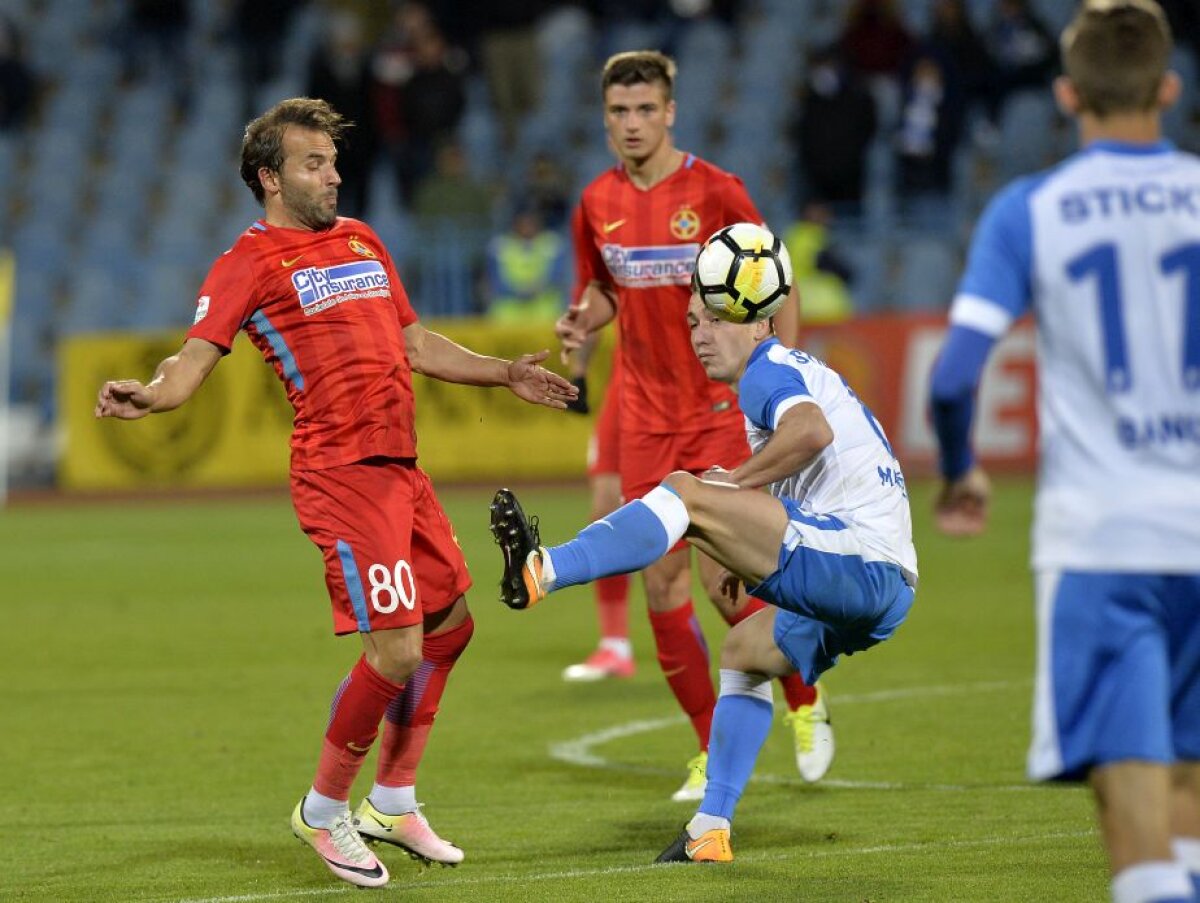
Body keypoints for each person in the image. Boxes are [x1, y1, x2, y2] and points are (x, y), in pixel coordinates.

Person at [93, 98, 577, 889]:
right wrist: (151, 396)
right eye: (314, 164)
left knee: (451, 624)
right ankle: (323, 809)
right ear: (269, 178)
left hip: (401, 466)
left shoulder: (363, 240)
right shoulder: (247, 262)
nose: (334, 175)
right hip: (340, 473)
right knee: (397, 648)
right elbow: (190, 362)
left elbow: (414, 341)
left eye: (334, 161)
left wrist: (503, 371)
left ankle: (392, 797)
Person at [491, 284, 917, 862]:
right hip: (881, 583)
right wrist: (746, 535)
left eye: (714, 320)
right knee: (743, 651)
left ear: (757, 322)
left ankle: (544, 569)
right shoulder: (784, 373)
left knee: (688, 492)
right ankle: (710, 830)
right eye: (692, 323)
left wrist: (731, 488)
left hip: (857, 560)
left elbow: (812, 432)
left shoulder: (769, 365)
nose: (699, 336)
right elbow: (815, 466)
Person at [928, 4, 1200, 901]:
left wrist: (963, 466)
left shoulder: (1030, 211)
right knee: (1191, 822)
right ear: (1168, 87)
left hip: (1104, 545)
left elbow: (956, 375)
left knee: (1138, 840)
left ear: (1065, 94)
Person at [555, 50, 833, 800]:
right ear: (605, 116)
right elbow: (605, 290)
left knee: (725, 581)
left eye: (646, 110)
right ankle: (712, 748)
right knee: (661, 582)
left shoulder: (715, 191)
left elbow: (778, 278)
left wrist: (783, 368)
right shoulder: (595, 201)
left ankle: (803, 694)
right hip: (644, 418)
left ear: (671, 111)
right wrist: (584, 321)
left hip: (715, 412)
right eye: (620, 111)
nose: (633, 124)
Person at [561, 334, 635, 682]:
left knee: (718, 525)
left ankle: (771, 628)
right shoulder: (614, 276)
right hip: (632, 385)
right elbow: (594, 299)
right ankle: (615, 645)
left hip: (701, 390)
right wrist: (578, 368)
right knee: (606, 512)